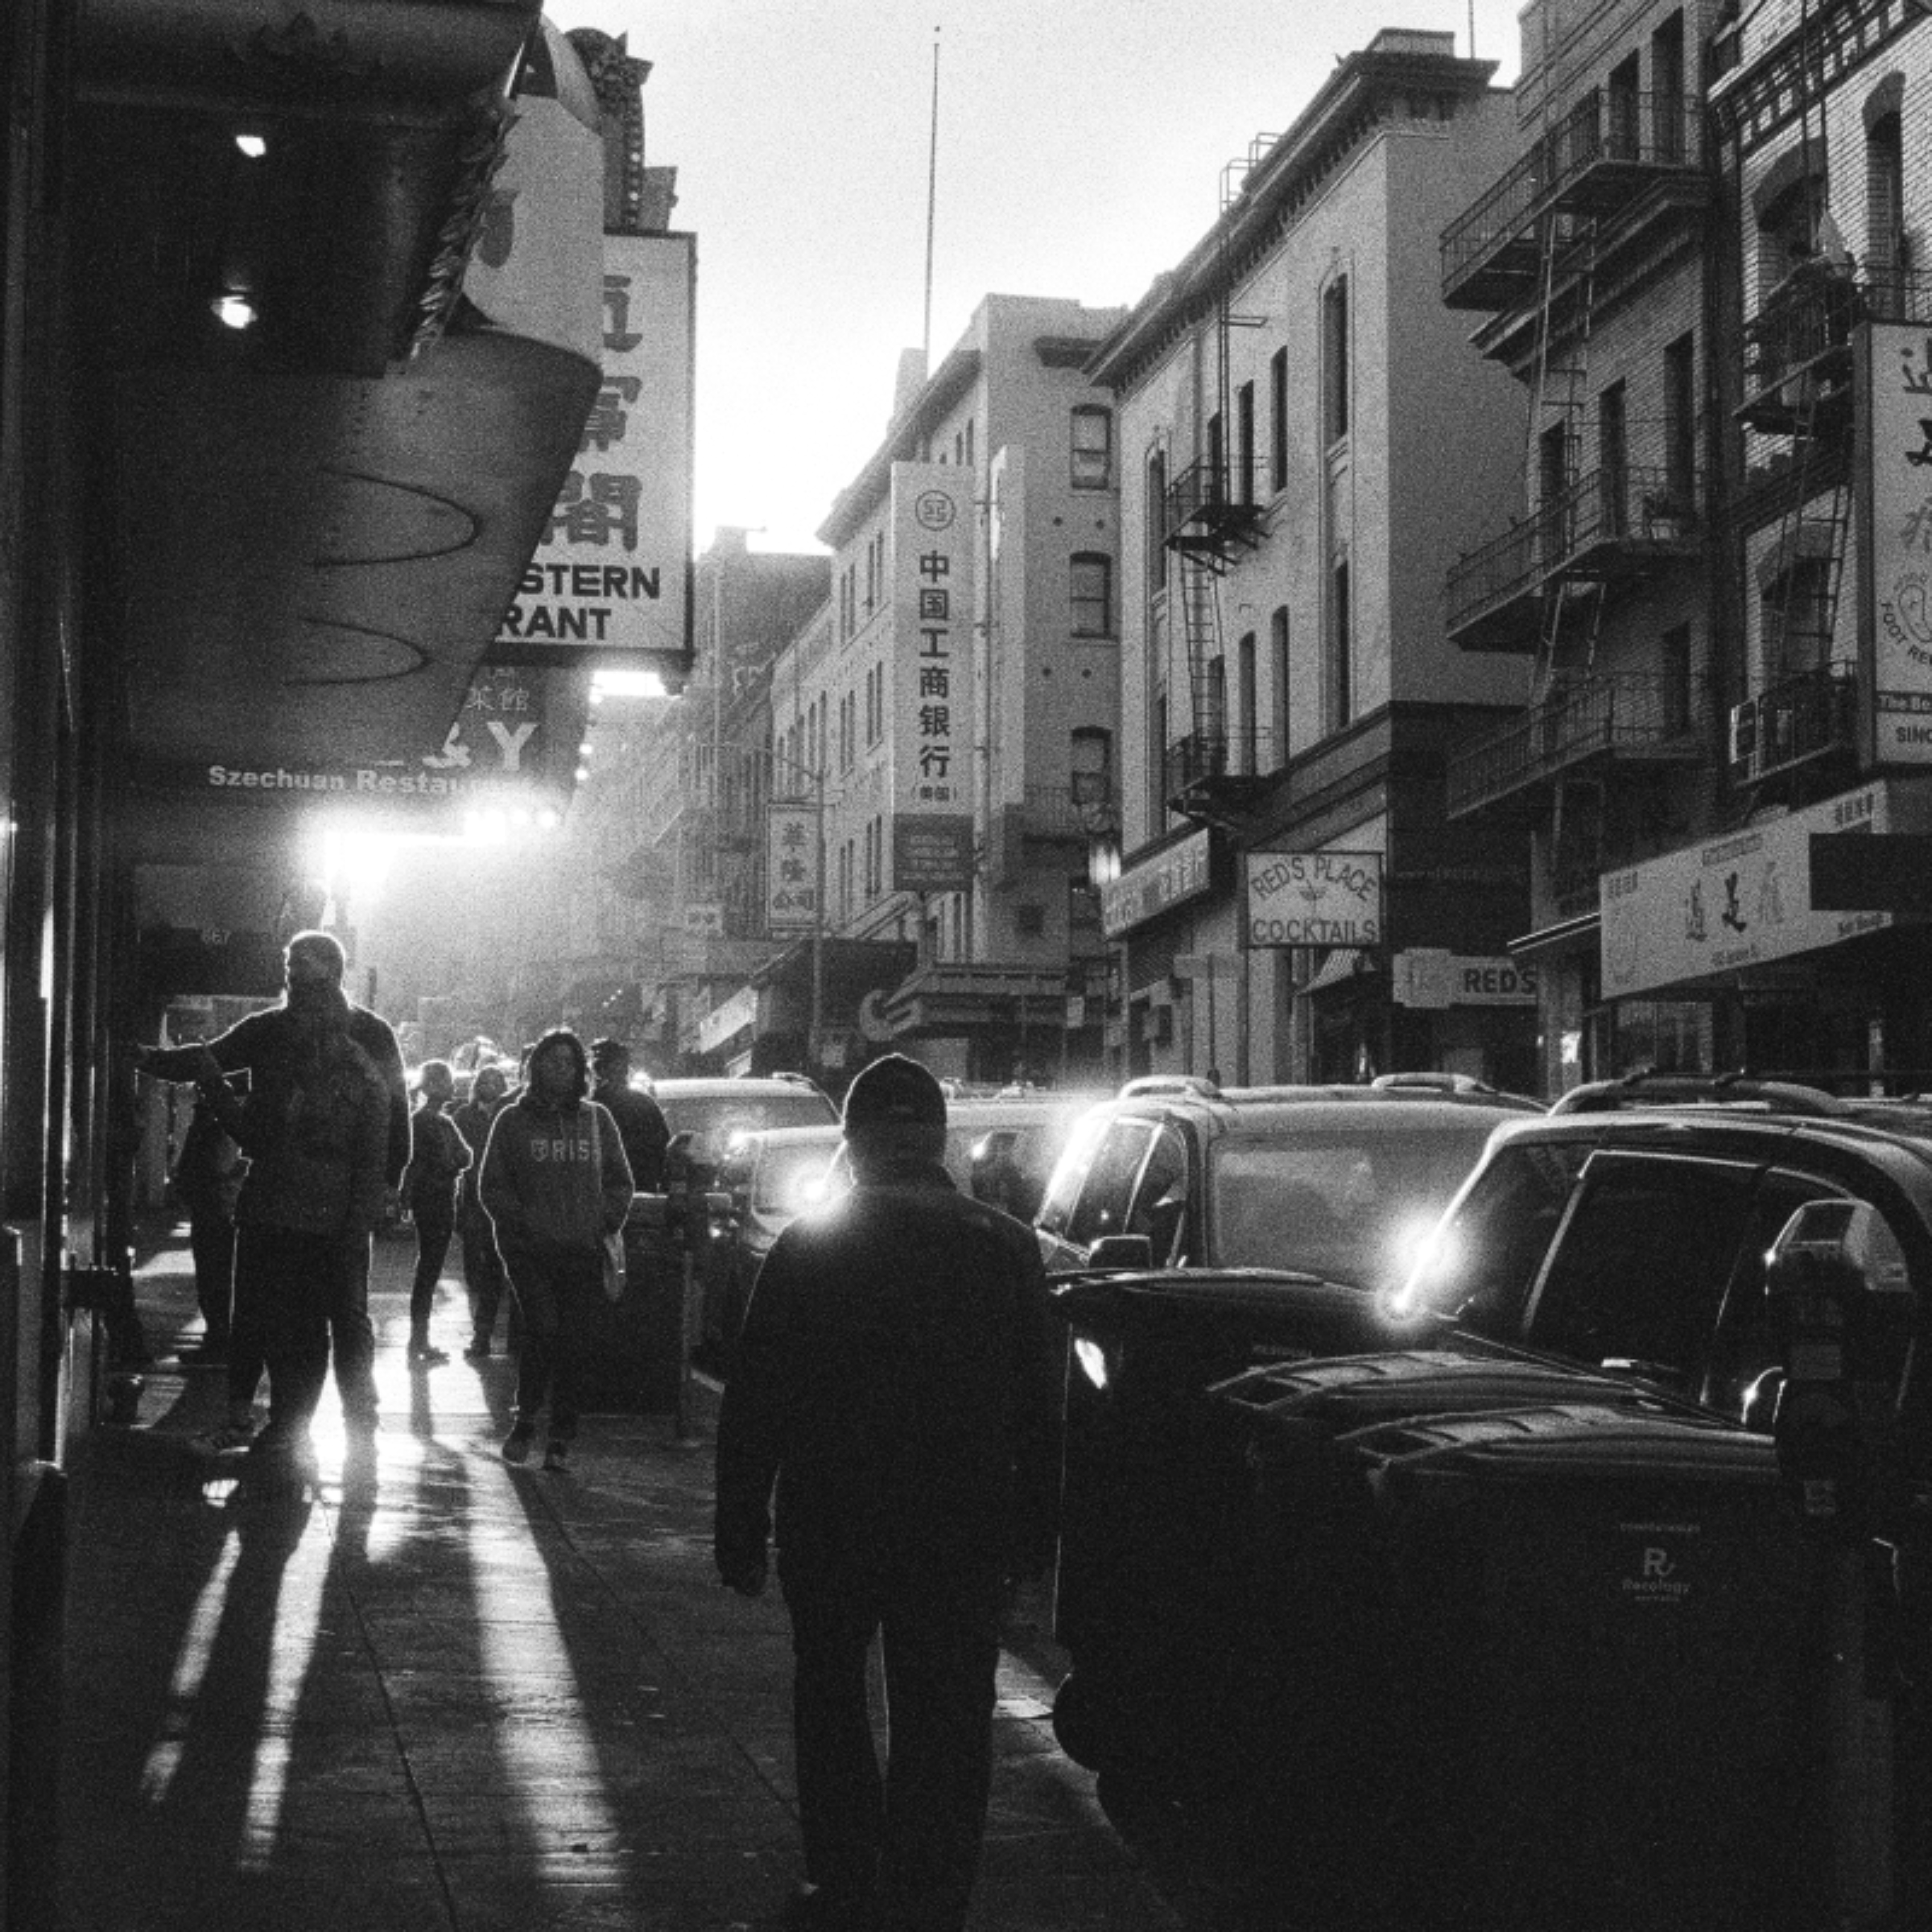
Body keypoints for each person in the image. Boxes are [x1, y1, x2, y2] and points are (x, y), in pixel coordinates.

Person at [713, 1054, 1062, 1932]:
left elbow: (756, 1398)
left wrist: (741, 1524)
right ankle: (930, 1886)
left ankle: (843, 1869)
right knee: (947, 1713)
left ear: (854, 1143)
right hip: (962, 1522)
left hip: (834, 1514)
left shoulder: (809, 1245)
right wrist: (1036, 1533)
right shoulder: (1005, 1246)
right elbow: (1040, 1410)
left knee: (829, 1692)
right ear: (938, 1140)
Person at [138, 931, 410, 1439]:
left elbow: (390, 1121)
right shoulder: (295, 1035)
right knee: (317, 1316)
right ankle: (314, 1419)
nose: (293, 981)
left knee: (314, 1314)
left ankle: (329, 1413)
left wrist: (389, 1183)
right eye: (290, 971)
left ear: (332, 974)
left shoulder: (333, 1038)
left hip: (311, 1202)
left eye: (301, 971)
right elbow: (389, 1118)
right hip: (310, 1202)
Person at [478, 1029, 633, 1472]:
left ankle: (561, 1435)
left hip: (582, 1250)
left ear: (581, 1071)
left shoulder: (597, 1120)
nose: (560, 1069)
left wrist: (603, 1220)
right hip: (530, 1253)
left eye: (569, 1062)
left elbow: (621, 1182)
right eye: (551, 1061)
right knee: (543, 1329)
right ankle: (525, 1419)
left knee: (573, 1342)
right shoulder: (511, 1121)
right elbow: (492, 1186)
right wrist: (522, 1225)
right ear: (535, 1068)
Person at [167, 1075, 246, 1365]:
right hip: (214, 1208)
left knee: (215, 1278)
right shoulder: (214, 1123)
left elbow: (216, 1167)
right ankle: (218, 1336)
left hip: (217, 1209)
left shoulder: (218, 1126)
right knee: (214, 1278)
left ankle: (219, 1337)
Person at [402, 1060, 471, 1364]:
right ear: (431, 1085)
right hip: (433, 1200)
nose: (451, 1087)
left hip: (436, 1199)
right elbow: (455, 1158)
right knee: (428, 1272)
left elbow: (463, 1156)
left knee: (428, 1272)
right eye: (445, 1081)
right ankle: (418, 1340)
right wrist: (453, 1161)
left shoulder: (438, 1121)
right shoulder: (430, 1122)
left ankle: (420, 1339)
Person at [452, 1063, 512, 1358]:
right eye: (485, 1081)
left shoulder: (512, 1115)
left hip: (507, 1203)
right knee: (482, 1272)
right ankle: (482, 1335)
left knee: (501, 1272)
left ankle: (496, 1337)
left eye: (496, 1081)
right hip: (475, 1203)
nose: (491, 1086)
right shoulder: (463, 1115)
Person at [589, 1037, 671, 1192]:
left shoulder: (589, 1108)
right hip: (637, 1194)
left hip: (609, 1196)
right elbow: (663, 1156)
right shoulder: (645, 1105)